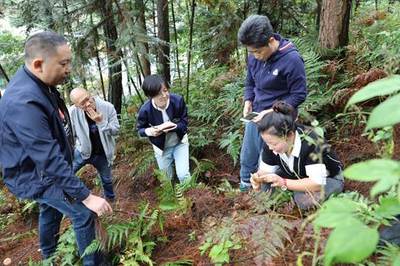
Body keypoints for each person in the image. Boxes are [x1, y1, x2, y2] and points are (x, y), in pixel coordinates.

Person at [0, 31, 112, 265]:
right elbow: (47, 159)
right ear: (38, 64)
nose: (68, 69)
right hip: (37, 175)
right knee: (84, 214)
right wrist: (85, 196)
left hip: (43, 170)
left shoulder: (40, 85)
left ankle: (48, 255)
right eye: (64, 63)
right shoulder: (24, 101)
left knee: (50, 209)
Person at [237, 15, 307, 191]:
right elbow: (250, 82)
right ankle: (245, 190)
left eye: (258, 51)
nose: (255, 56)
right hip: (256, 116)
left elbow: (299, 95)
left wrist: (271, 111)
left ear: (271, 41)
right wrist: (248, 100)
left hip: (278, 120)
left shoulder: (292, 60)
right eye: (251, 52)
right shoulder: (254, 55)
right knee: (248, 157)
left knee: (267, 161)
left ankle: (266, 198)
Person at [250, 101, 344, 210]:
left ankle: (297, 193)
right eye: (267, 143)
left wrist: (283, 183)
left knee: (305, 202)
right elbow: (265, 172)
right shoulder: (270, 143)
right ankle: (291, 192)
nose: (270, 148)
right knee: (265, 188)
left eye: (274, 144)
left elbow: (317, 183)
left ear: (290, 135)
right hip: (295, 174)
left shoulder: (311, 142)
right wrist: (258, 179)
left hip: (327, 179)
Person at [136, 74, 190, 183]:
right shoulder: (145, 110)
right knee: (166, 179)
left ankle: (189, 197)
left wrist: (175, 126)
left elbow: (184, 122)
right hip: (161, 148)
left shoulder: (177, 101)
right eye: (158, 94)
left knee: (183, 174)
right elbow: (140, 130)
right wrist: (151, 131)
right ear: (150, 95)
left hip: (180, 143)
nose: (164, 96)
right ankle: (172, 197)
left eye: (165, 91)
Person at [69, 87, 120, 202]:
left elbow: (116, 131)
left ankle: (110, 200)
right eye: (82, 103)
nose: (87, 104)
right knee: (67, 173)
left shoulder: (107, 107)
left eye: (88, 99)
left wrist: (101, 122)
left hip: (102, 153)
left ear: (90, 94)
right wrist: (78, 145)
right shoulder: (72, 112)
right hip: (83, 152)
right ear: (76, 105)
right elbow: (71, 135)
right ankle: (73, 200)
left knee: (107, 179)